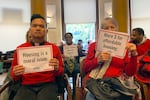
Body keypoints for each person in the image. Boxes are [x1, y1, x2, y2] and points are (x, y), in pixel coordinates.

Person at [82, 17, 139, 100]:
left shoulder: (125, 46)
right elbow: (85, 67)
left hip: (117, 83)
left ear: (117, 29)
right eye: (106, 28)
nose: (109, 30)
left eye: (112, 27)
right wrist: (97, 60)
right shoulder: (94, 46)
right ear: (102, 31)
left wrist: (134, 54)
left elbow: (130, 73)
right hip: (97, 82)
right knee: (90, 96)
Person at [10, 14, 64, 100]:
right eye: (34, 26)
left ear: (46, 31)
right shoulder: (20, 49)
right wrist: (16, 73)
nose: (38, 28)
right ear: (30, 30)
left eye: (41, 26)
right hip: (26, 86)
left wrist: (57, 68)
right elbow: (13, 75)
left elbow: (61, 72)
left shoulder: (54, 48)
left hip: (48, 84)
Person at [59, 32, 80, 100]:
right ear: (64, 39)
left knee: (76, 71)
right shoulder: (61, 47)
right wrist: (61, 56)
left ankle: (74, 92)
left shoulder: (75, 46)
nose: (68, 38)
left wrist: (79, 49)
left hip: (74, 66)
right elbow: (58, 56)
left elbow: (80, 57)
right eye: (66, 37)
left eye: (69, 37)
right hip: (65, 65)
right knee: (62, 72)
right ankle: (67, 90)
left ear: (72, 38)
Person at [131, 28, 150, 99]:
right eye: (131, 35)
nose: (131, 37)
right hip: (135, 69)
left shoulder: (149, 43)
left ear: (141, 35)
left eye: (134, 35)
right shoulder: (131, 43)